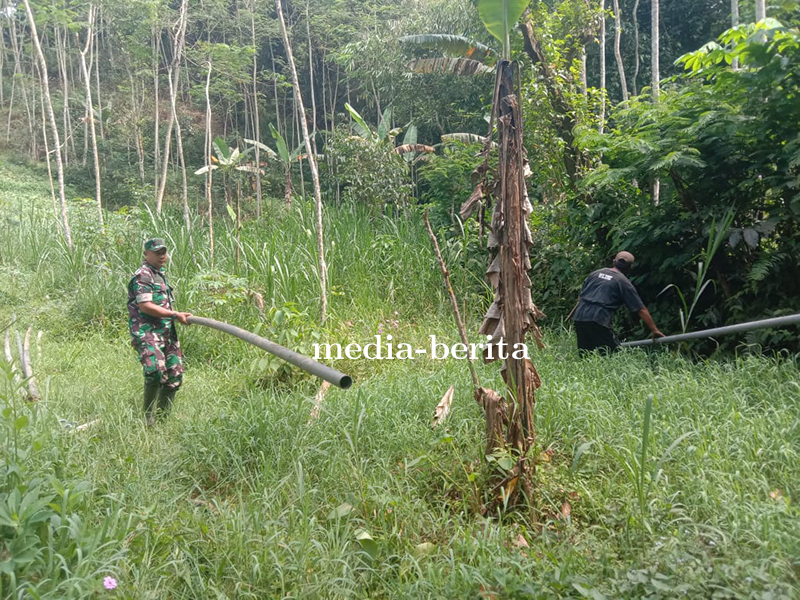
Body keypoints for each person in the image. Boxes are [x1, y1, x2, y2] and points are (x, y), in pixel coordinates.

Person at [127, 238, 192, 426]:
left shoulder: (159, 274)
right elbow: (145, 306)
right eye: (157, 252)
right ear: (146, 254)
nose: (162, 256)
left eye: (163, 252)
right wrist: (175, 314)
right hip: (147, 332)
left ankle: (163, 420)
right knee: (154, 371)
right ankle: (148, 417)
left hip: (166, 331)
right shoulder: (143, 275)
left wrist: (173, 317)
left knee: (174, 375)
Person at [571, 251, 664, 353]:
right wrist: (654, 329)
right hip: (598, 318)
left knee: (585, 354)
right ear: (630, 268)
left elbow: (581, 296)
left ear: (614, 261)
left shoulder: (595, 273)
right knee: (612, 354)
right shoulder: (623, 282)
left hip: (579, 316)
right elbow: (640, 309)